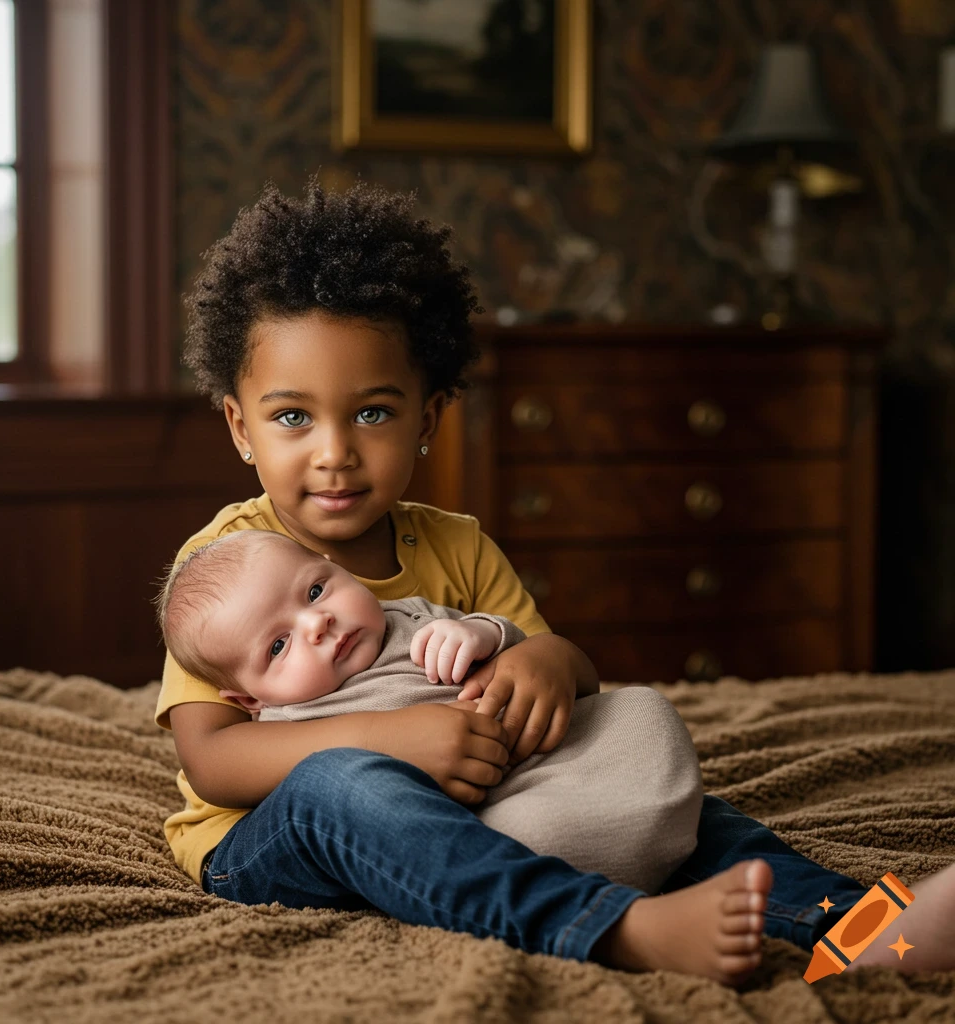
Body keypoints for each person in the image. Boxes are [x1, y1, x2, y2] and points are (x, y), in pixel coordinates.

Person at [156, 176, 955, 986]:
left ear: (427, 419)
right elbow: (217, 760)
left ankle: (864, 932)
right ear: (240, 426)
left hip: (481, 797)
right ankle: (617, 930)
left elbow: (566, 669)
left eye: (372, 413)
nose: (334, 452)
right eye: (293, 416)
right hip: (278, 835)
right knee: (344, 786)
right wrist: (389, 740)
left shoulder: (456, 545)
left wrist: (541, 663)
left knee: (672, 810)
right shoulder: (227, 561)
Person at [157, 529, 705, 896]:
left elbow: (528, 654)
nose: (316, 624)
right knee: (349, 791)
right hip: (478, 821)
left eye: (316, 590)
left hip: (543, 767)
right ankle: (583, 884)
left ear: (335, 567)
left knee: (640, 710)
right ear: (250, 702)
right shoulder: (289, 724)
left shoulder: (410, 615)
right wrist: (386, 745)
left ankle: (640, 839)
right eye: (277, 647)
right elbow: (275, 787)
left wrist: (480, 632)